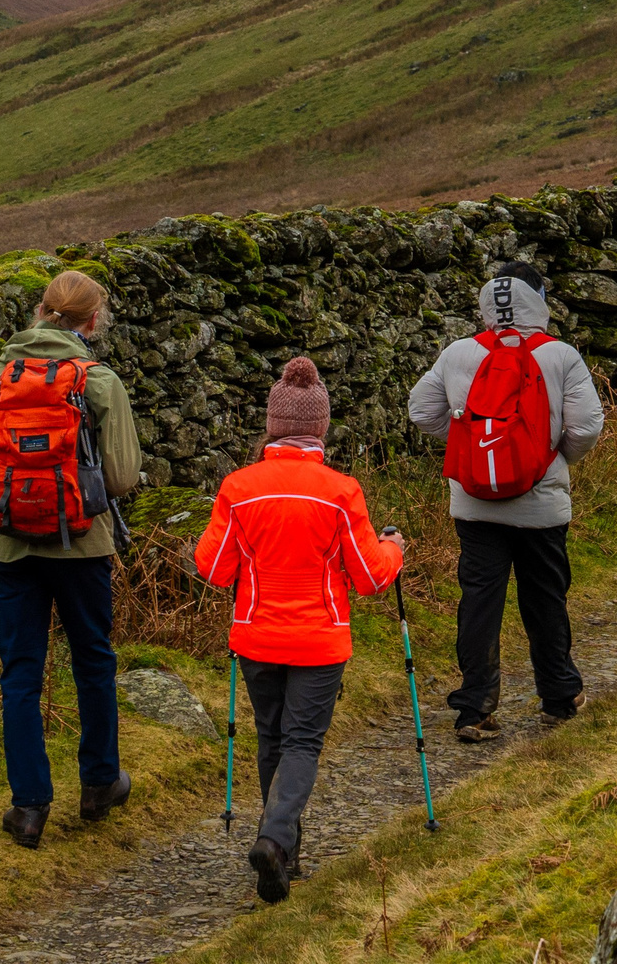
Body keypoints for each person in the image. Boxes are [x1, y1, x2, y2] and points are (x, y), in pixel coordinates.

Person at [193, 356, 405, 903]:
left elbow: (213, 570)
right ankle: (275, 839)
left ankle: (282, 848)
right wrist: (394, 550)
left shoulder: (239, 488)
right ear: (320, 429)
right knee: (302, 742)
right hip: (319, 639)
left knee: (272, 739)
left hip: (257, 636)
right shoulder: (340, 491)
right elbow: (370, 577)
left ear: (272, 427)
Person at [0, 268, 142, 848]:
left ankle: (29, 807)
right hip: (82, 545)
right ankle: (98, 784)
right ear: (93, 321)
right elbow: (119, 478)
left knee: (21, 672)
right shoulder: (97, 382)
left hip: (9, 545)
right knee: (93, 658)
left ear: (40, 311)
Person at [408, 261, 605, 741]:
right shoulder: (560, 356)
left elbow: (421, 410)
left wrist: (468, 450)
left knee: (479, 601)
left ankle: (474, 708)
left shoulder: (458, 354)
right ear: (538, 299)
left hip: (475, 504)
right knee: (545, 598)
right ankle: (559, 695)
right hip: (541, 505)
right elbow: (586, 426)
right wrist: (551, 461)